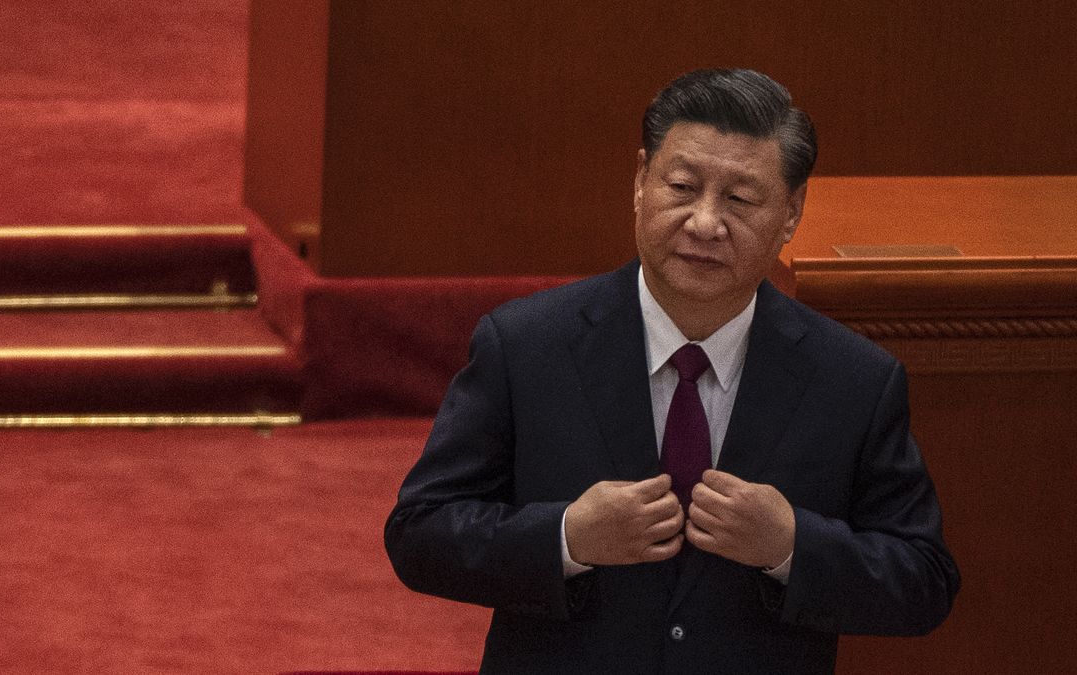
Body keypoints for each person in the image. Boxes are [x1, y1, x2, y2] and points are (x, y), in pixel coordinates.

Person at [384, 68, 960, 674]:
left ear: (792, 213)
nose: (705, 223)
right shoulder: (526, 346)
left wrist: (792, 545)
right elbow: (420, 533)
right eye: (683, 187)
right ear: (640, 182)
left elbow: (923, 580)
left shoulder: (854, 380)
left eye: (740, 199)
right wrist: (567, 538)